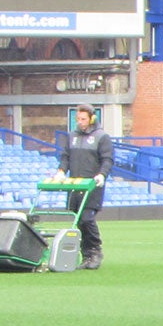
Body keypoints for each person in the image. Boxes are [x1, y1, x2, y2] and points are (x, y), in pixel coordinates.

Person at [56, 106, 113, 270]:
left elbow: (107, 159)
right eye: (78, 119)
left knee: (87, 218)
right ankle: (85, 254)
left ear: (92, 119)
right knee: (78, 220)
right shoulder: (72, 137)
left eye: (83, 119)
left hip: (92, 185)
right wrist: (61, 171)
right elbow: (65, 157)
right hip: (75, 185)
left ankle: (95, 251)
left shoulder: (101, 137)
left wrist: (102, 174)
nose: (80, 122)